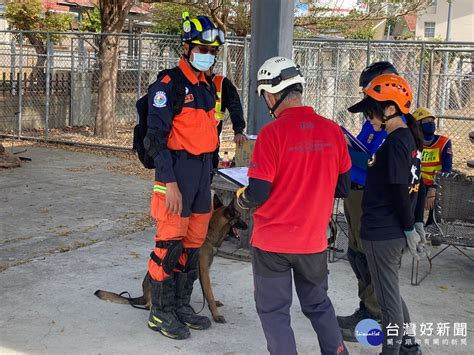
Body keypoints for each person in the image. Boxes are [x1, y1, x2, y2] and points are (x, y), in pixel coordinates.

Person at [236, 56, 351, 355]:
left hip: (272, 243)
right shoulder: (333, 131)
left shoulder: (271, 134)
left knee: (274, 312)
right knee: (318, 304)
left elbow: (258, 192)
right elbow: (343, 187)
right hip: (313, 240)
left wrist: (242, 199)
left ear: (272, 95)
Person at [144, 12, 224, 340]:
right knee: (169, 247)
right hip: (176, 175)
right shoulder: (168, 85)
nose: (208, 55)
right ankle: (160, 313)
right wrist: (170, 183)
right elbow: (155, 139)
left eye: (213, 51)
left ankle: (180, 305)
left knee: (192, 246)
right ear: (186, 48)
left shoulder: (207, 87)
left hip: (202, 176)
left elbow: (208, 132)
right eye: (202, 48)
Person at [347, 74, 424, 355]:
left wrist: (410, 227)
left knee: (387, 301)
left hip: (383, 233)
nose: (368, 118)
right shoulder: (407, 139)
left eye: (371, 111)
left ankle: (392, 351)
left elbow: (400, 190)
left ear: (390, 109)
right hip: (391, 232)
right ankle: (408, 346)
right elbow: (421, 183)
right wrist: (414, 222)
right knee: (391, 293)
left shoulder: (395, 144)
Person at [337, 61, 398, 340]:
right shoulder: (372, 118)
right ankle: (366, 307)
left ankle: (376, 316)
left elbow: (377, 163)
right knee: (356, 254)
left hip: (371, 197)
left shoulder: (395, 124)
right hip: (355, 191)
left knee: (370, 257)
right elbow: (363, 148)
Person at [412, 107, 452, 243]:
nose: (431, 124)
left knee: (442, 195)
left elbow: (447, 170)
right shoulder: (411, 142)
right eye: (426, 121)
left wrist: (433, 189)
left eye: (432, 121)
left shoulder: (444, 142)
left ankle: (433, 227)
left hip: (436, 185)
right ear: (417, 125)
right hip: (416, 183)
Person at [205, 66, 247, 174]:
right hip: (187, 144)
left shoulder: (221, 83)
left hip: (211, 145)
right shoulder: (187, 83)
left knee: (207, 178)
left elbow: (235, 105)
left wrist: (238, 130)